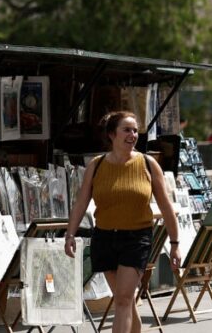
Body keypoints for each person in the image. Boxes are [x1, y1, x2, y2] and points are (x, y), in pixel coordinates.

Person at [65, 111, 181, 333]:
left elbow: (166, 207)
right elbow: (81, 203)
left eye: (135, 130)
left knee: (123, 300)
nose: (133, 134)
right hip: (105, 238)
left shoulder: (148, 164)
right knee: (123, 300)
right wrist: (70, 235)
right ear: (111, 134)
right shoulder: (96, 166)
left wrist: (175, 244)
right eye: (126, 129)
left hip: (136, 238)